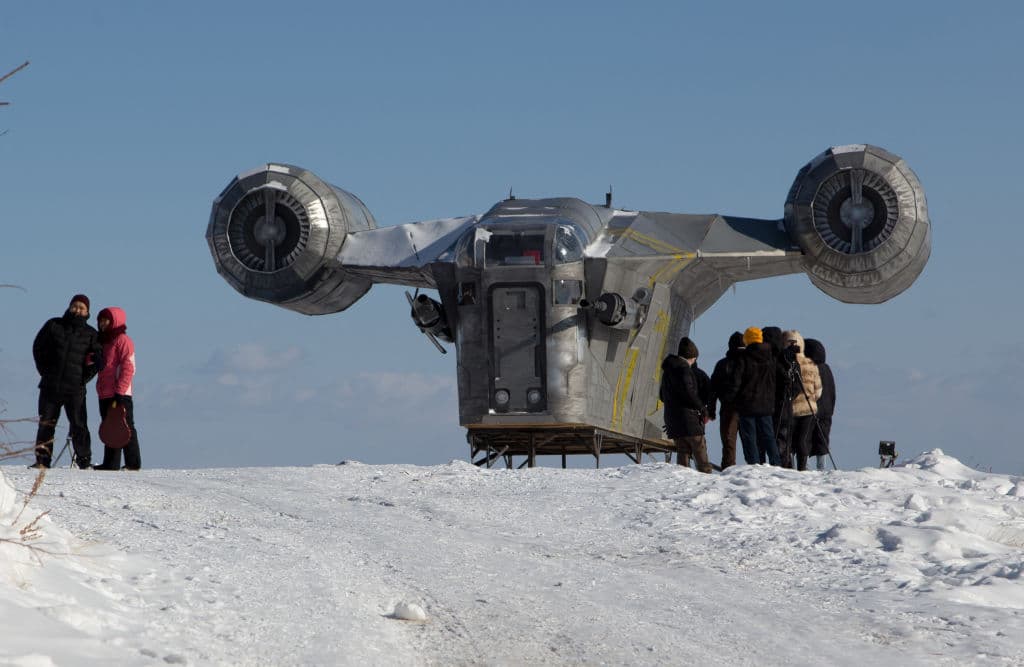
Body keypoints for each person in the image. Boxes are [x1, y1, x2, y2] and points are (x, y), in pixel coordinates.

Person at [31, 294, 103, 469]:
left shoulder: (91, 334)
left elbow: (98, 361)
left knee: (79, 425)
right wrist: (45, 372)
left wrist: (83, 379)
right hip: (50, 385)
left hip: (75, 388)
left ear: (87, 312)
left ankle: (84, 461)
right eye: (75, 306)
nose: (77, 310)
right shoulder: (53, 325)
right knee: (46, 424)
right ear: (69, 307)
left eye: (82, 308)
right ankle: (42, 461)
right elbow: (38, 348)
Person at [722, 327, 780, 466]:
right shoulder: (771, 357)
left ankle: (754, 465)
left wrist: (729, 398)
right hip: (766, 404)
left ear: (747, 340)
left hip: (747, 404)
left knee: (750, 437)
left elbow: (736, 382)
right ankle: (776, 463)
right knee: (769, 436)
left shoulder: (744, 358)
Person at [94, 306, 142, 470]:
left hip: (119, 393)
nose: (102, 323)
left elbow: (129, 367)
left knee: (125, 426)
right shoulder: (103, 342)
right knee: (110, 427)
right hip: (104, 393)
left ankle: (133, 463)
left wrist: (120, 392)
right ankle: (111, 463)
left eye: (106, 320)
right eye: (100, 320)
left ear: (115, 320)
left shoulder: (123, 340)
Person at [660, 337, 712, 473]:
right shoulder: (684, 370)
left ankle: (683, 486)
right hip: (689, 420)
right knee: (700, 454)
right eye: (695, 358)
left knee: (683, 455)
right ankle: (708, 483)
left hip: (672, 420)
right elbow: (689, 394)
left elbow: (661, 396)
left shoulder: (668, 371)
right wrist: (702, 408)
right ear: (691, 357)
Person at [781, 330, 822, 471]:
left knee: (789, 441)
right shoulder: (811, 364)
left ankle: (789, 467)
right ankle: (802, 468)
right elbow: (818, 390)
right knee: (802, 441)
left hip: (790, 408)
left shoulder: (785, 362)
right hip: (808, 408)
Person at [710, 331, 744, 469]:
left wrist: (711, 410)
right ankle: (755, 472)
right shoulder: (750, 363)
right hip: (749, 407)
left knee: (728, 443)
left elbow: (713, 390)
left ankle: (728, 470)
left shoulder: (722, 364)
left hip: (728, 408)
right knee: (751, 443)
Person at [804, 338, 836, 471]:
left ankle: (804, 468)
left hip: (811, 409)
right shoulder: (827, 369)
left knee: (805, 440)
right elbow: (832, 391)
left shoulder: (809, 369)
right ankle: (821, 469)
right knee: (822, 442)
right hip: (826, 411)